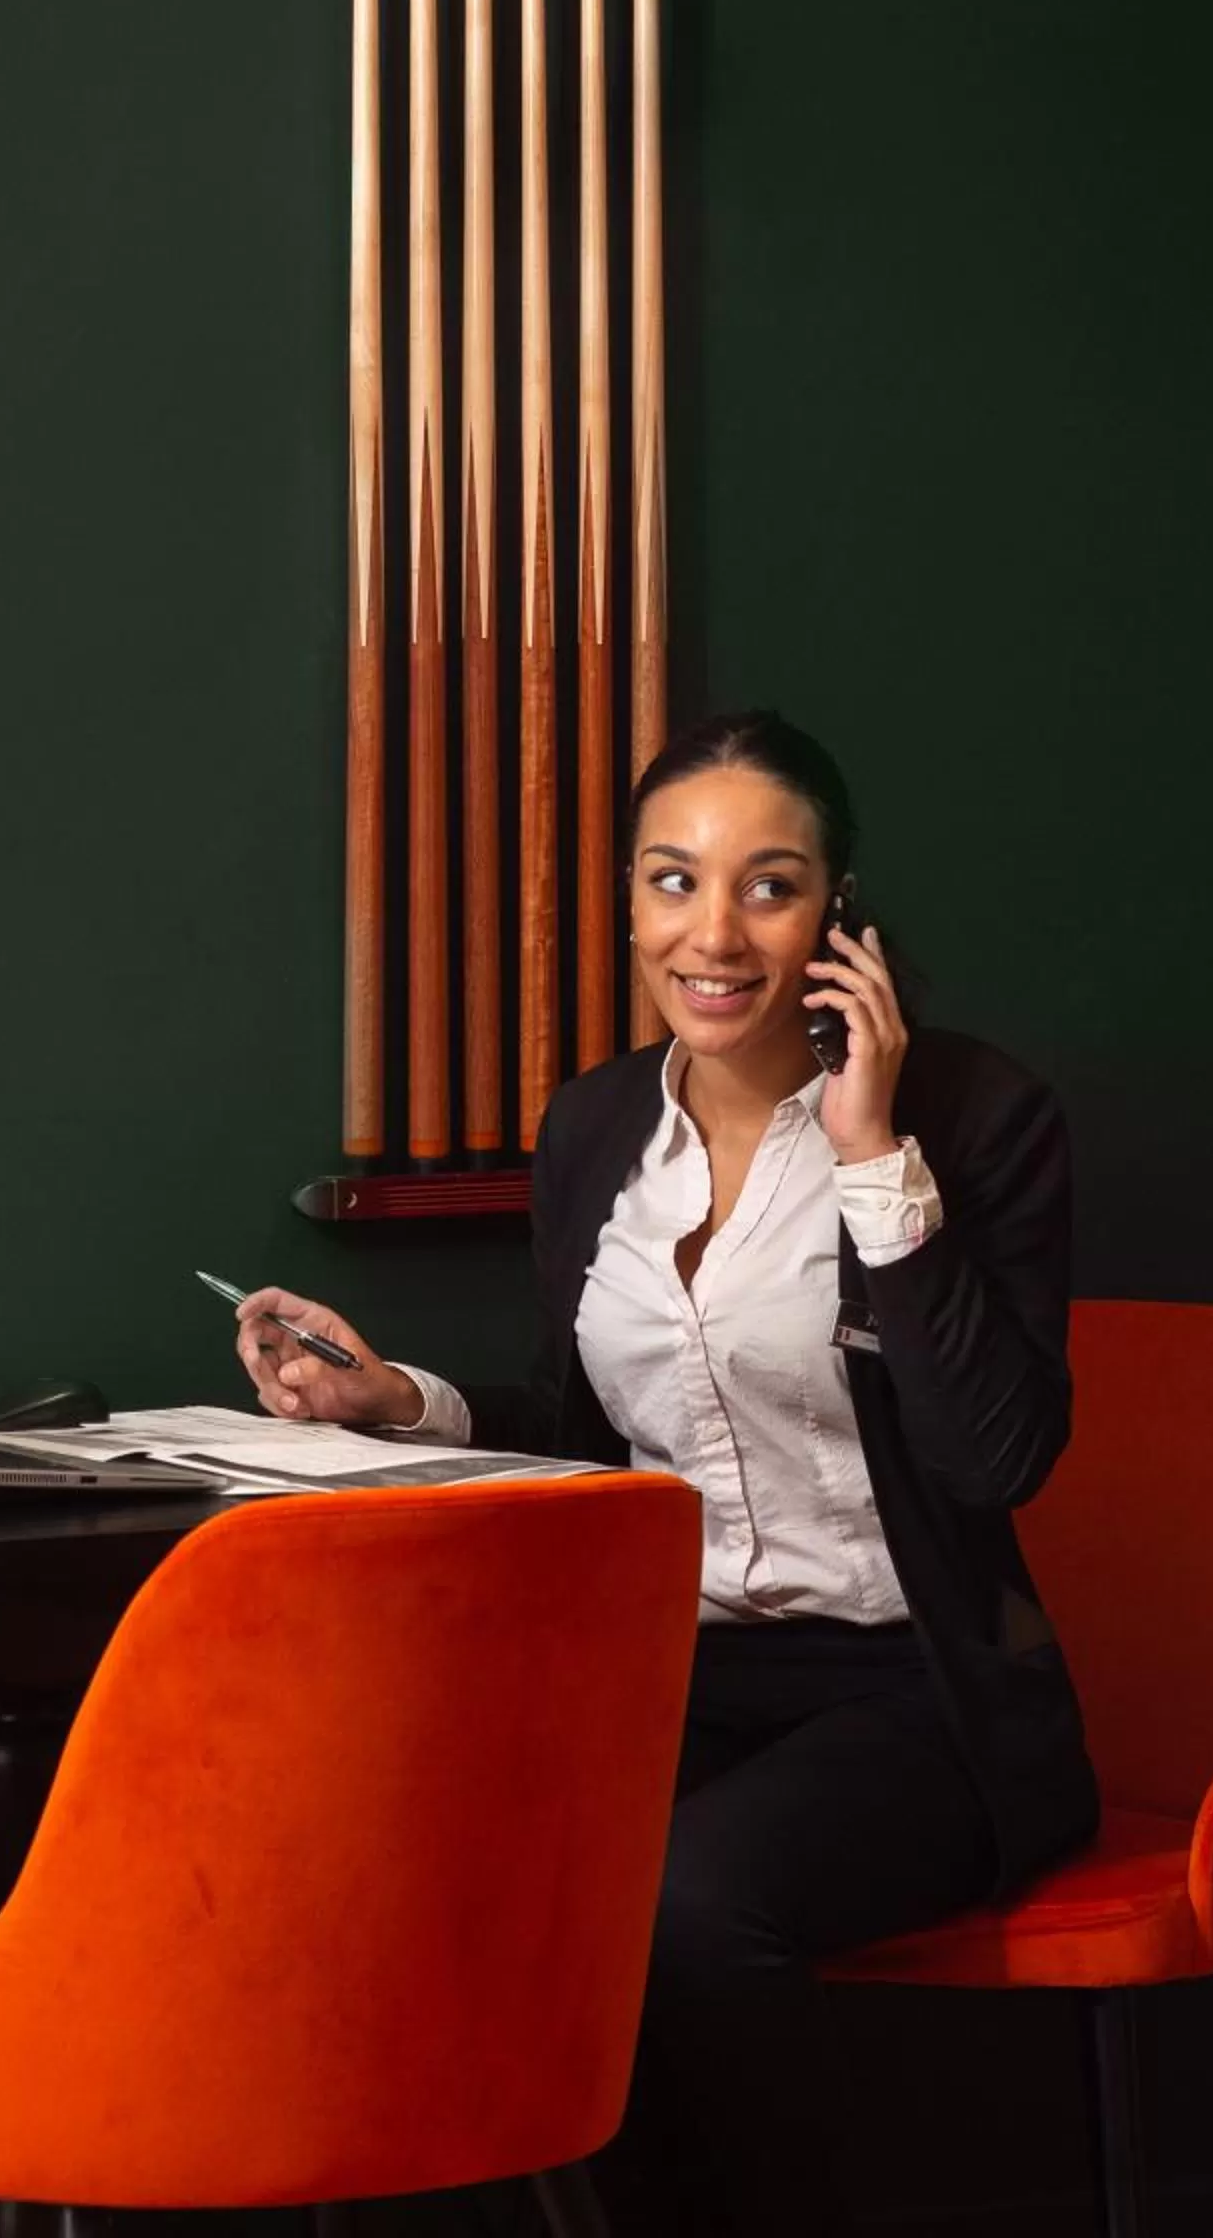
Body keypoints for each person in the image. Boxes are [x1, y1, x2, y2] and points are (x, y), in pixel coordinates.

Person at [230, 709, 1098, 2234]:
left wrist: (878, 1152)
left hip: (918, 1698)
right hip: (667, 1678)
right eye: (670, 882)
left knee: (688, 1905)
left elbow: (993, 1458)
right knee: (428, 1856)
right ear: (627, 903)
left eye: (769, 886)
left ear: (842, 913)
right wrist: (398, 1406)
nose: (713, 933)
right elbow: (599, 1444)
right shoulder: (592, 1133)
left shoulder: (974, 1121)